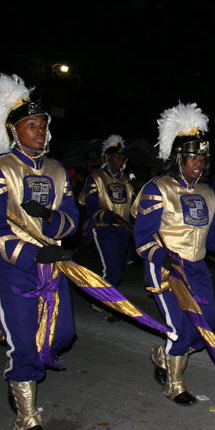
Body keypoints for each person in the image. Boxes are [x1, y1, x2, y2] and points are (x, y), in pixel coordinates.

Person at [0, 74, 79, 430]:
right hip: (12, 268)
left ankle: (23, 363)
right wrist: (34, 253)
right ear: (13, 130)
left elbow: (72, 219)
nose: (40, 130)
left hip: (51, 267)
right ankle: (26, 417)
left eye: (43, 124)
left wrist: (49, 217)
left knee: (62, 335)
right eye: (31, 125)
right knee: (24, 344)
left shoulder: (57, 170)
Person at [134, 103, 215, 406]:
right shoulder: (157, 189)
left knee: (204, 328)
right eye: (192, 157)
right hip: (166, 267)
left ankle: (162, 354)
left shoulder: (208, 192)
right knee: (181, 328)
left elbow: (211, 237)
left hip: (196, 267)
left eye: (202, 157)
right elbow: (143, 239)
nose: (199, 162)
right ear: (178, 158)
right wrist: (163, 258)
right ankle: (174, 385)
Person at [79, 135, 136, 322]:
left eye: (122, 159)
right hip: (104, 228)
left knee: (117, 268)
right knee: (112, 268)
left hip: (123, 230)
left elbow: (133, 205)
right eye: (116, 158)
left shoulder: (126, 180)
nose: (120, 161)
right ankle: (108, 304)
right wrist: (109, 216)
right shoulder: (96, 178)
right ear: (107, 158)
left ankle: (101, 299)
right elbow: (91, 207)